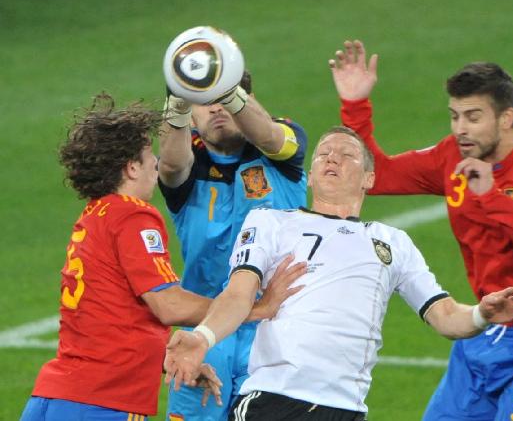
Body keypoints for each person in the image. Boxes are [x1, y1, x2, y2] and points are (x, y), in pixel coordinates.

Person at [162, 127, 513, 421]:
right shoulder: (270, 222)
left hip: (347, 408)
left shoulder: (393, 243)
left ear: (369, 178)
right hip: (273, 400)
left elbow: (446, 317)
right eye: (323, 152)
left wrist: (482, 315)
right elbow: (238, 294)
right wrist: (204, 336)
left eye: (347, 154)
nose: (332, 158)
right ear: (309, 176)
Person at [329, 40, 513, 420]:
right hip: (485, 334)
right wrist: (356, 106)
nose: (460, 129)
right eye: (454, 116)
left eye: (473, 117)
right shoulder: (452, 156)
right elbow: (379, 176)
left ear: (506, 118)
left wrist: (492, 196)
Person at [20, 93, 305, 421]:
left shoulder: (93, 217)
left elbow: (110, 316)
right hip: (102, 403)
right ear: (131, 168)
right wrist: (253, 309)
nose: (156, 162)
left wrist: (162, 361)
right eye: (147, 156)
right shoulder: (132, 216)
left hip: (54, 396)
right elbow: (169, 306)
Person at [160, 70, 308, 420]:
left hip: (275, 334)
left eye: (227, 97)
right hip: (203, 336)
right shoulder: (186, 163)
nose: (216, 108)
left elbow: (271, 137)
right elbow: (170, 164)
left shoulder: (282, 147)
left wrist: (231, 94)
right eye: (204, 101)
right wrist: (175, 104)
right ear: (191, 118)